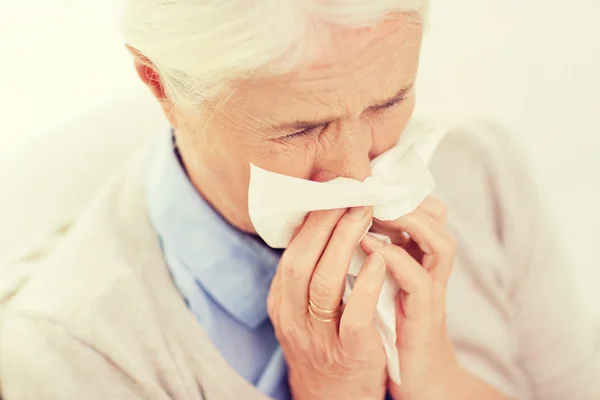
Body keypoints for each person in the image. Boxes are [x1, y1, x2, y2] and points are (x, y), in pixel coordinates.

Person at [1, 1, 599, 399]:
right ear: (160, 86)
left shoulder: (480, 170)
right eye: (299, 131)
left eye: (389, 101)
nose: (354, 169)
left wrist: (438, 377)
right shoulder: (64, 361)